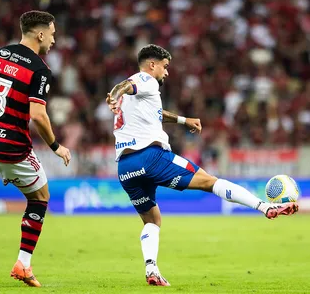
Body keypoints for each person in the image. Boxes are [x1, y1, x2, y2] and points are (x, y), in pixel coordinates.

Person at [106, 44, 299, 287]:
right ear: (152, 65)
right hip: (151, 157)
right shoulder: (145, 79)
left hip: (126, 167)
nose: (166, 73)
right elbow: (124, 86)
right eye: (165, 67)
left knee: (152, 220)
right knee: (209, 182)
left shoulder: (139, 95)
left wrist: (183, 120)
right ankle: (265, 207)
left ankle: (151, 269)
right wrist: (113, 95)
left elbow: (153, 111)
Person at [0, 10, 71, 287]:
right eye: (53, 34)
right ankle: (23, 263)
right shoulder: (40, 69)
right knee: (40, 197)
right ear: (40, 33)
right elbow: (38, 115)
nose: (54, 40)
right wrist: (56, 146)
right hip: (12, 145)